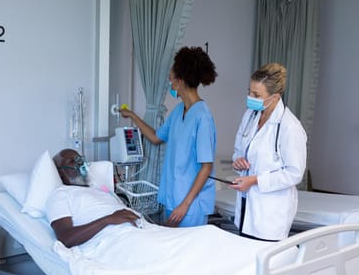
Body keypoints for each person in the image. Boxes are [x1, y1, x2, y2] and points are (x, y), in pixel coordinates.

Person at [119, 46, 217, 227]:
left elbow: (206, 167)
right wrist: (132, 116)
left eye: (171, 81)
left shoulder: (202, 117)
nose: (170, 85)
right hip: (173, 197)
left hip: (190, 204)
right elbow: (156, 137)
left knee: (188, 253)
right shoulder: (178, 111)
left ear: (180, 82)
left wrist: (185, 205)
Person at [230, 62, 307, 241]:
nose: (250, 97)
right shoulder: (250, 115)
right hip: (245, 206)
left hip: (270, 215)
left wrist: (255, 180)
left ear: (275, 96)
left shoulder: (289, 127)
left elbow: (294, 173)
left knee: (263, 264)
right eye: (249, 91)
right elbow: (238, 150)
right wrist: (238, 160)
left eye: (256, 94)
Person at [47, 148, 140, 247]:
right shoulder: (60, 195)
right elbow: (65, 238)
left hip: (140, 232)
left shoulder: (100, 190)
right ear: (60, 173)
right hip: (114, 240)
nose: (80, 163)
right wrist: (108, 220)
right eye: (72, 161)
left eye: (80, 159)